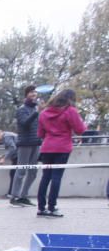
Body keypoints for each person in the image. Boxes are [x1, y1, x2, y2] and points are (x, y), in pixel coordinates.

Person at [35, 89, 87, 218]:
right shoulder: (70, 111)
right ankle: (52, 207)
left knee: (45, 177)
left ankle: (41, 207)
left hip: (47, 147)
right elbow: (80, 129)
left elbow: (40, 134)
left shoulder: (44, 113)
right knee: (56, 177)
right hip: (62, 147)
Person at [10, 85, 43, 206]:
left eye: (35, 92)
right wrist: (36, 113)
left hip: (36, 143)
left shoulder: (36, 109)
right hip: (24, 143)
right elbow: (24, 124)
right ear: (26, 94)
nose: (34, 94)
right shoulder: (21, 110)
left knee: (33, 172)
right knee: (21, 170)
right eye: (31, 92)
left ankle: (24, 196)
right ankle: (14, 196)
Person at [0, 129, 17, 198]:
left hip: (18, 156)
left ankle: (12, 194)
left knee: (14, 174)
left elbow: (13, 148)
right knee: (14, 174)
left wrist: (4, 159)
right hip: (18, 156)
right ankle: (11, 193)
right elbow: (11, 149)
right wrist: (2, 156)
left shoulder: (6, 137)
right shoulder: (7, 135)